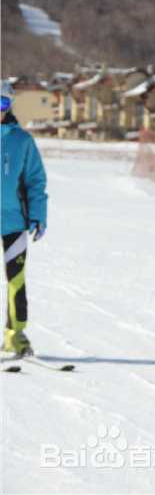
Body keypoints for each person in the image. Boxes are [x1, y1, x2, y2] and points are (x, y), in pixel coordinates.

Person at [1, 80, 48, 356]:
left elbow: (35, 180)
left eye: (2, 103)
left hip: (14, 222)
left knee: (16, 280)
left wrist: (38, 215)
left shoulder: (22, 141)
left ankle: (14, 334)